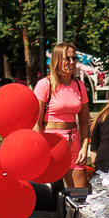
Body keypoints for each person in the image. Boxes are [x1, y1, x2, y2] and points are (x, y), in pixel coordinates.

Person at [35, 44, 91, 190]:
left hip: (73, 145)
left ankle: (74, 214)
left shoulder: (79, 86)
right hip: (50, 144)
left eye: (74, 58)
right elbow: (36, 122)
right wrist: (37, 149)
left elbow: (85, 121)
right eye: (67, 58)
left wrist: (85, 147)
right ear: (57, 60)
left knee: (80, 193)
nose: (72, 62)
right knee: (48, 190)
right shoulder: (44, 85)